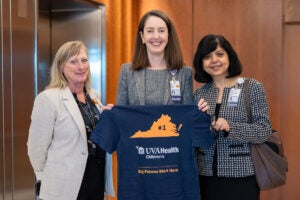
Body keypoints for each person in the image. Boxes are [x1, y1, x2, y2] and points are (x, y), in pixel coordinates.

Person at [27, 40, 114, 200]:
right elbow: (36, 148)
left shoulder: (94, 97)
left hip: (95, 179)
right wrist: (43, 179)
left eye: (84, 60)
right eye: (73, 62)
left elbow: (97, 137)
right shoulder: (48, 98)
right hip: (63, 186)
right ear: (61, 67)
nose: (80, 67)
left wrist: (110, 119)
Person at [193, 34, 273, 200]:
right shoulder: (200, 94)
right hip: (206, 175)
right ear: (201, 63)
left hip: (241, 175)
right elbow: (194, 134)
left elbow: (264, 130)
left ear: (230, 56)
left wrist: (231, 127)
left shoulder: (251, 87)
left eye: (220, 54)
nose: (214, 60)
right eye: (207, 56)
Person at [116, 10, 195, 106]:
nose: (156, 36)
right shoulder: (127, 72)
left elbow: (187, 114)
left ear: (168, 35)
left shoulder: (185, 73)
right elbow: (121, 113)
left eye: (161, 31)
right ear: (142, 36)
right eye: (150, 31)